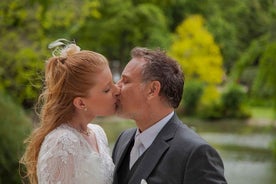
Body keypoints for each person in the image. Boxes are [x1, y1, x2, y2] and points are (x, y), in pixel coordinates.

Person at [112, 47, 227, 184]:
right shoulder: (123, 139)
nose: (116, 88)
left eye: (125, 81)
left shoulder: (195, 154)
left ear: (152, 89)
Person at [20, 39, 119, 184]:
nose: (116, 90)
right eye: (107, 89)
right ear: (80, 102)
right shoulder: (60, 142)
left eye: (113, 83)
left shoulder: (98, 133)